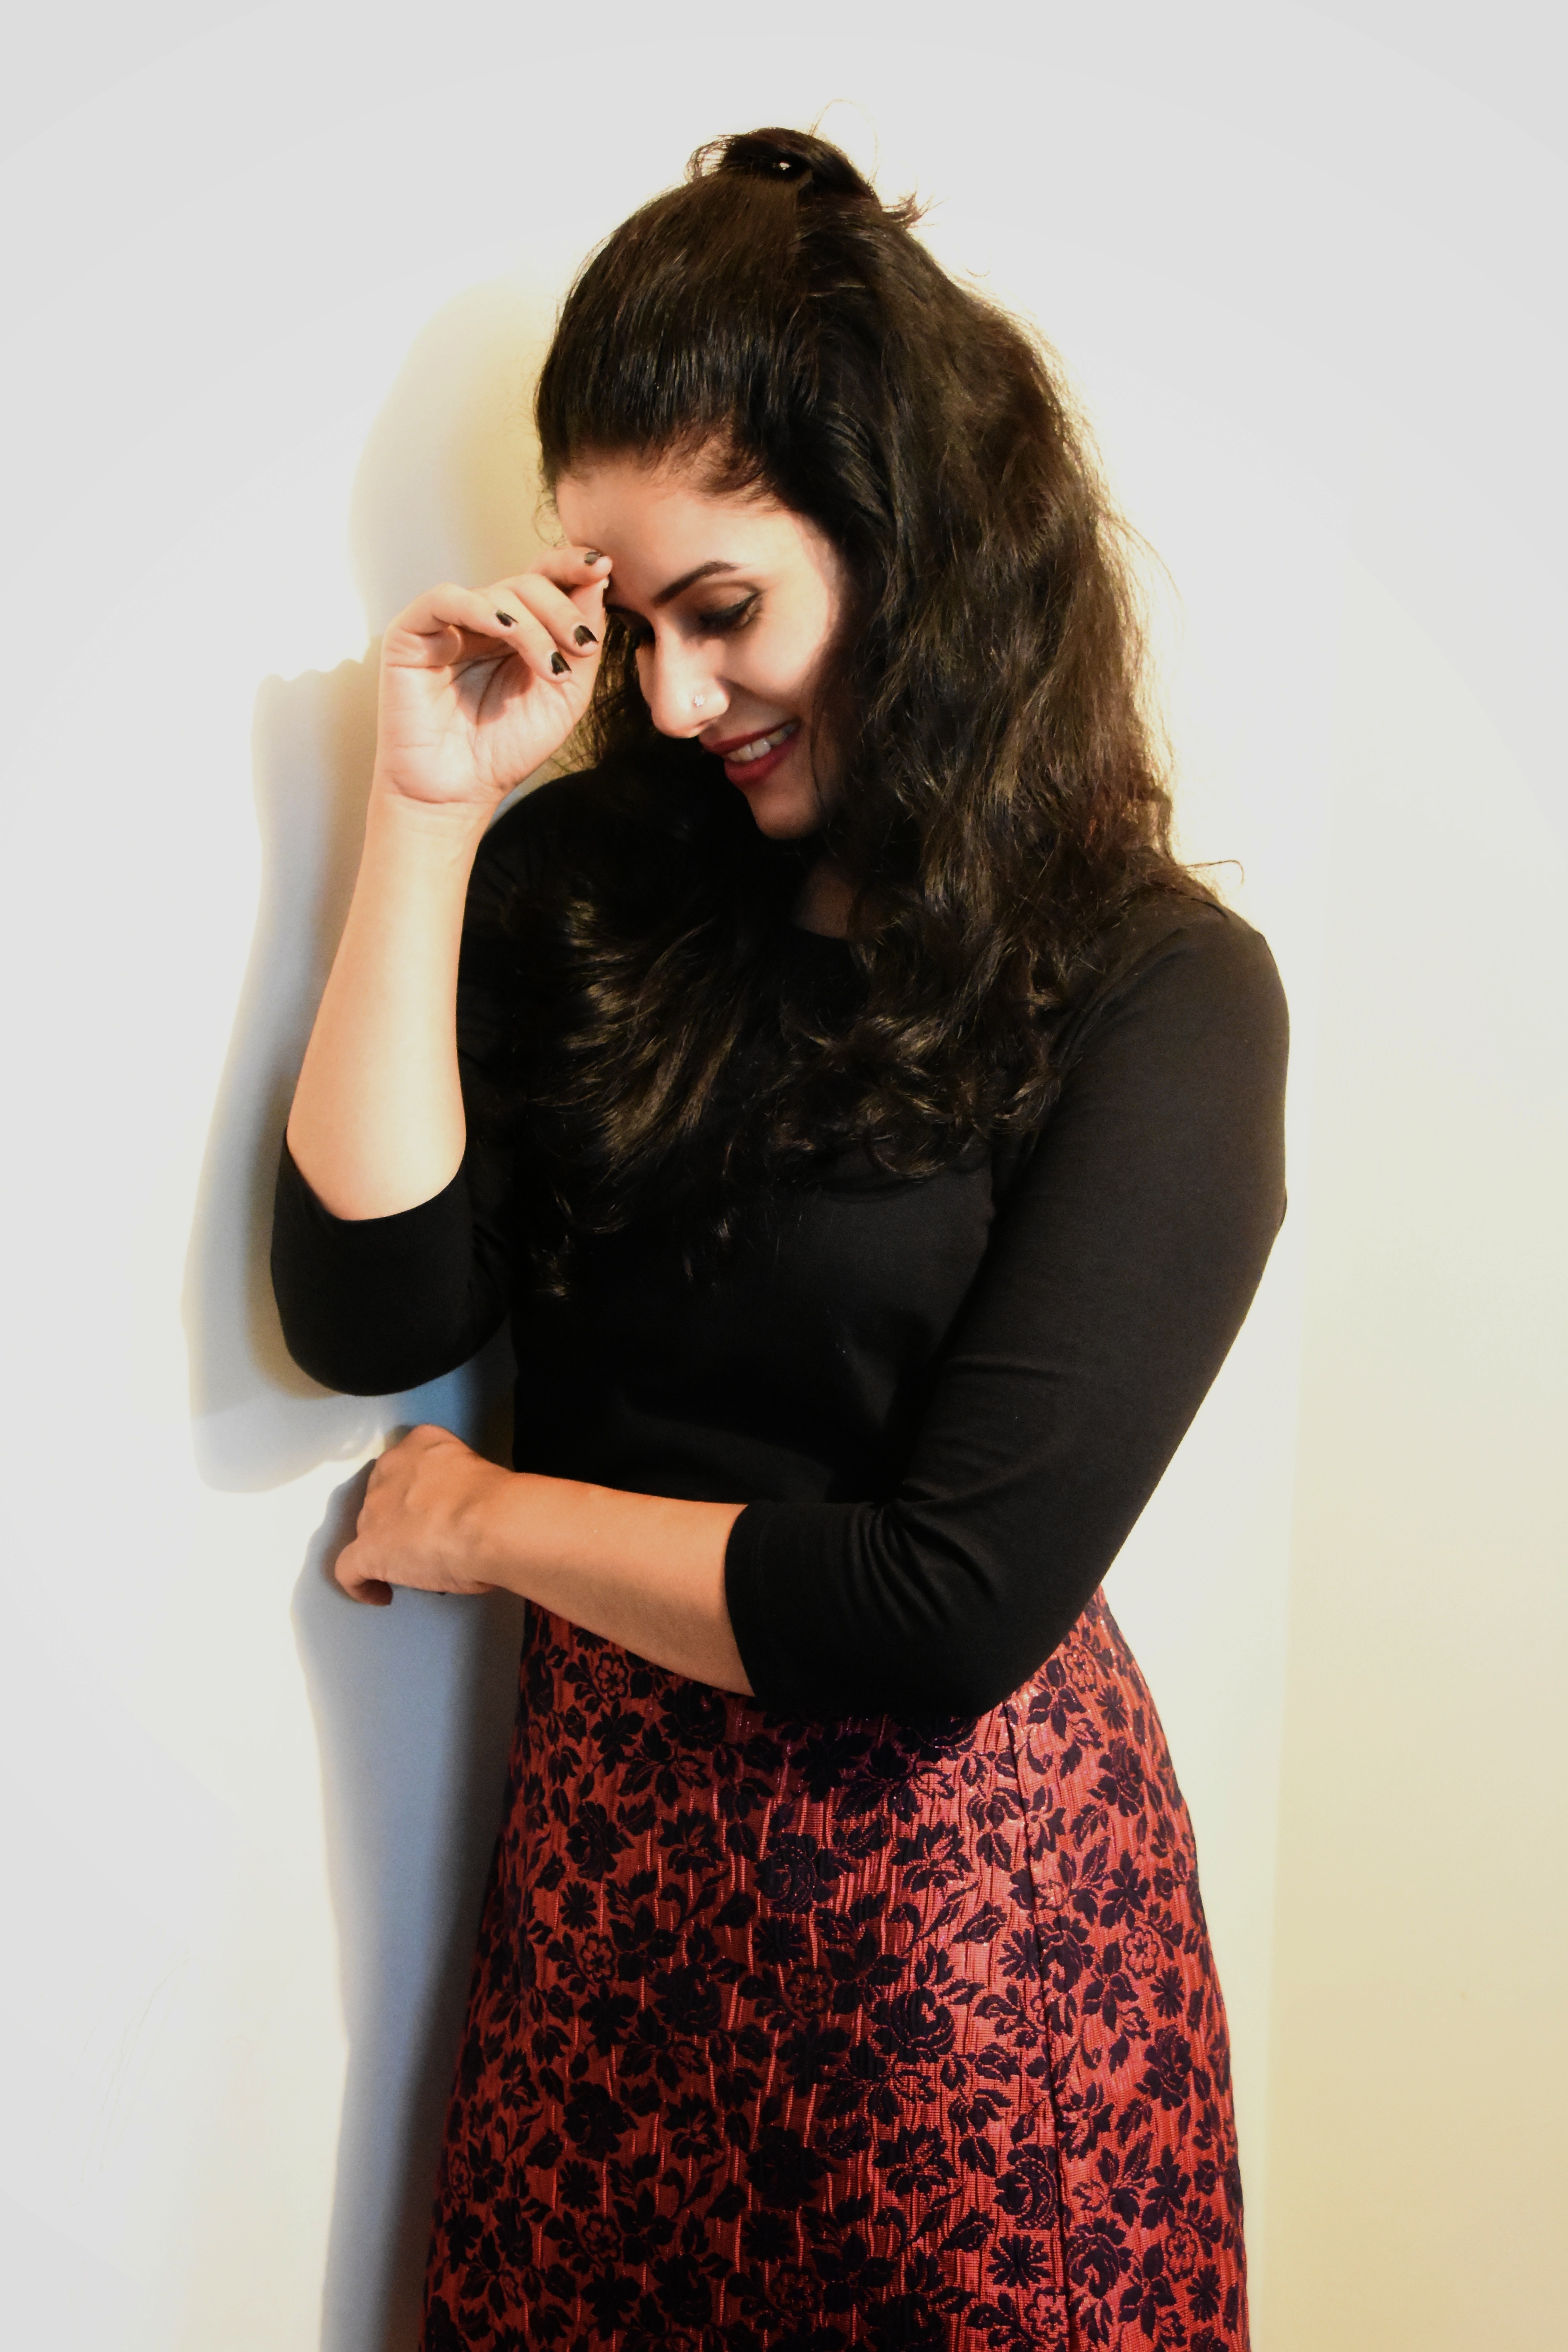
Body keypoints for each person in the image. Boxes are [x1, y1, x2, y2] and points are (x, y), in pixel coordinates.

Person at [272, 126, 1285, 2352]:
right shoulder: (601, 894)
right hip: (605, 1918)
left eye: (721, 612)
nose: (667, 696)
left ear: (904, 541)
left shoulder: (1156, 995)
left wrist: (480, 1523)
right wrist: (428, 814)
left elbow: (941, 1608)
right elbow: (365, 1309)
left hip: (965, 1953)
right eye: (631, 625)